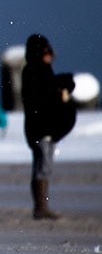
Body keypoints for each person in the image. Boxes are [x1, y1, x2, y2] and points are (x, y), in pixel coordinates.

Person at [21, 34, 76, 220]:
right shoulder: (35, 72)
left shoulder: (39, 71)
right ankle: (41, 207)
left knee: (43, 167)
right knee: (42, 167)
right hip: (40, 128)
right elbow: (41, 99)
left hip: (42, 128)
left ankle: (41, 206)